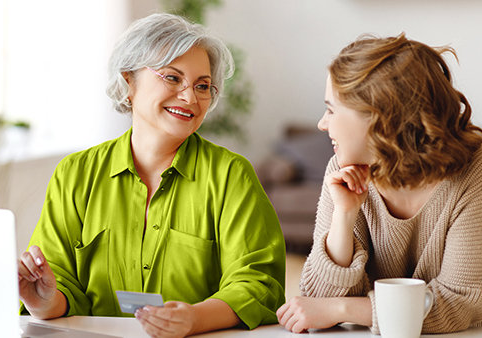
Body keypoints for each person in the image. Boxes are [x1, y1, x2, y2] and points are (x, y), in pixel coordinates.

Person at [17, 12, 286, 338]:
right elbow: (60, 281)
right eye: (172, 78)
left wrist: (194, 318)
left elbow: (260, 283)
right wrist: (43, 302)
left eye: (203, 86)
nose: (190, 98)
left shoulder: (231, 176)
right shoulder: (75, 174)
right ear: (128, 80)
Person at [276, 33, 482, 334]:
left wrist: (343, 309)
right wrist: (344, 215)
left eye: (331, 109)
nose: (322, 123)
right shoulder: (343, 169)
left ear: (377, 118)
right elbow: (318, 300)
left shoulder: (478, 169)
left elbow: (460, 304)